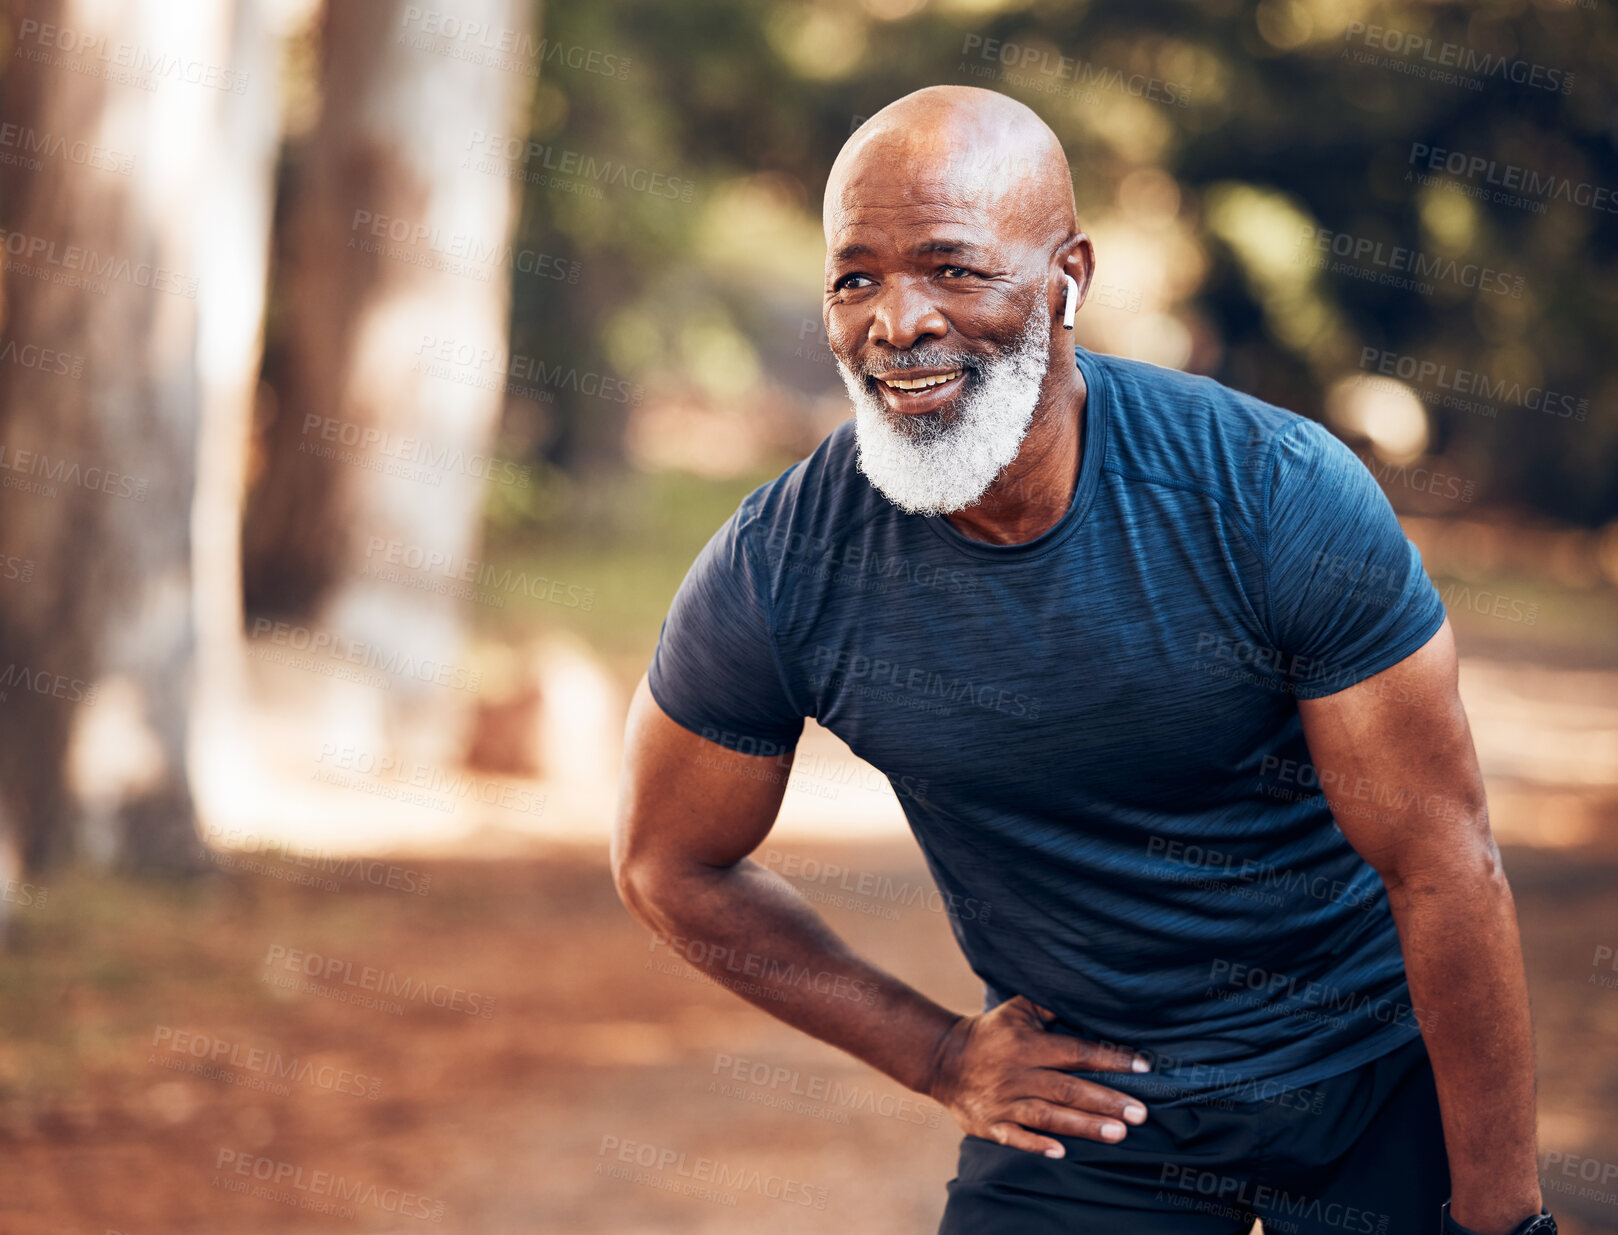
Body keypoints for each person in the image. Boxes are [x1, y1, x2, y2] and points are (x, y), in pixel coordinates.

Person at [610, 85, 1554, 1235]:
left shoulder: (1272, 494)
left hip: (1367, 1069)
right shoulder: (785, 564)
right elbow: (668, 858)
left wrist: (1502, 1218)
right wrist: (940, 1050)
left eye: (952, 268)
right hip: (1095, 1110)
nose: (895, 320)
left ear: (1067, 277)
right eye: (855, 276)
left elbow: (1444, 866)